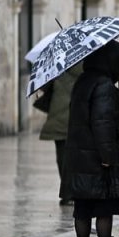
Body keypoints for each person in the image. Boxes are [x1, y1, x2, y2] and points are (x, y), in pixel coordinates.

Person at [66, 41, 119, 237]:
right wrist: (108, 157)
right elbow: (103, 123)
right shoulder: (104, 86)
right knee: (104, 206)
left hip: (80, 157)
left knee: (83, 207)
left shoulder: (82, 81)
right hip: (98, 159)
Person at [37, 64, 81, 206]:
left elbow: (44, 86)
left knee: (62, 156)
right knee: (75, 158)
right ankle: (72, 192)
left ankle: (67, 193)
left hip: (58, 117)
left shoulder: (57, 66)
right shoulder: (84, 67)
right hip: (75, 117)